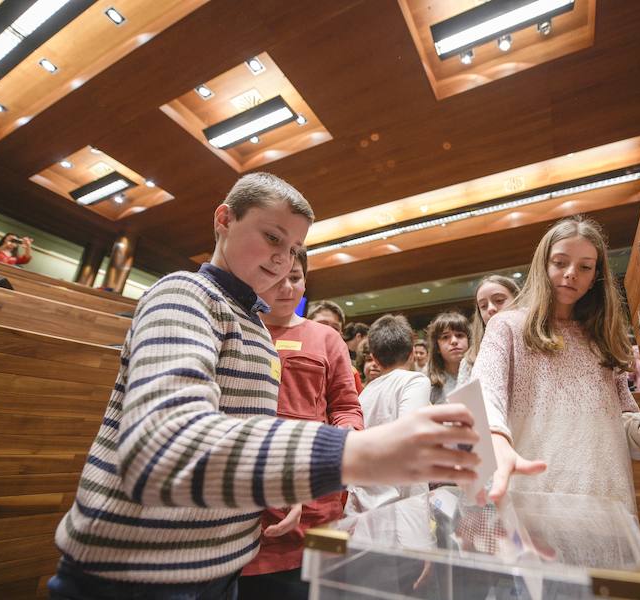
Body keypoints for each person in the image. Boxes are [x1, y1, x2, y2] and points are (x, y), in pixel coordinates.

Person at [47, 172, 480, 600]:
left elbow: (251, 433)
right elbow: (163, 447)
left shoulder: (255, 329)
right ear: (224, 220)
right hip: (135, 570)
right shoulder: (183, 294)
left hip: (221, 562)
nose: (284, 260)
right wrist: (360, 454)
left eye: (294, 250)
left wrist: (287, 483)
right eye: (273, 237)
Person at [472, 216, 640, 514]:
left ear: (596, 275)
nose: (571, 274)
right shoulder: (507, 326)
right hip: (536, 492)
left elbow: (622, 413)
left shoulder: (601, 338)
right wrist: (495, 436)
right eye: (560, 263)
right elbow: (483, 391)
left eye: (584, 267)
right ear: (543, 264)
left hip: (604, 491)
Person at [239, 249, 363, 599]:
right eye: (278, 279)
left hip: (319, 500)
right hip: (249, 500)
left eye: (295, 277)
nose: (287, 287)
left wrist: (347, 439)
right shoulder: (241, 330)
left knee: (326, 588)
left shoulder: (327, 338)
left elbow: (346, 406)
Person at [346, 315, 432, 514]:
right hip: (401, 500)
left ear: (374, 358)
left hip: (363, 498)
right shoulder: (415, 381)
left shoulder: (365, 392)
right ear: (412, 353)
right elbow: (408, 437)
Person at [458, 275, 520, 385]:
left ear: (518, 301)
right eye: (483, 306)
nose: (490, 309)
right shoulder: (469, 360)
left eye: (499, 300)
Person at [427, 312, 470, 405]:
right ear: (437, 347)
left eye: (459, 335)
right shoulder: (428, 384)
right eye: (445, 337)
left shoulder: (480, 372)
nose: (454, 341)